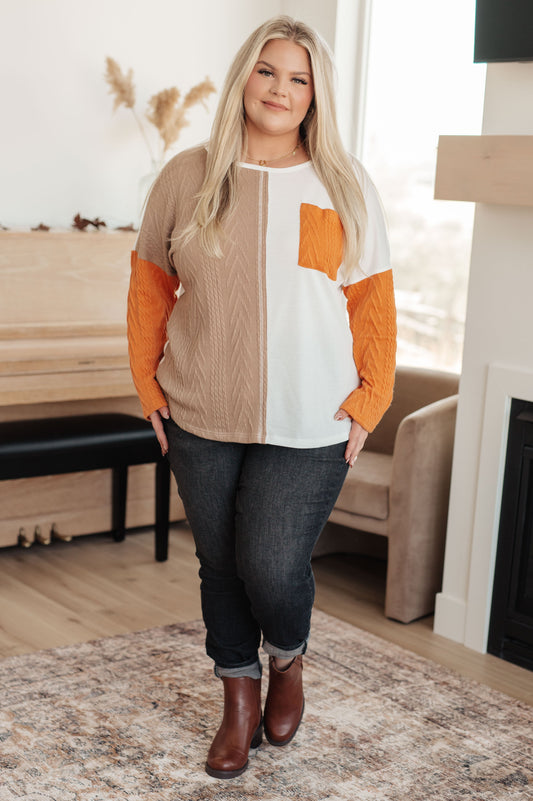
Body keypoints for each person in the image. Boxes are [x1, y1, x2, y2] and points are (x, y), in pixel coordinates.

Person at [127, 15, 396, 780]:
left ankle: (288, 658)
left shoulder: (344, 181)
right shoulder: (187, 174)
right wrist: (148, 387)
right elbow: (149, 287)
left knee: (272, 563)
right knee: (219, 563)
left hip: (311, 416)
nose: (280, 89)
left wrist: (369, 400)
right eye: (268, 71)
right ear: (245, 76)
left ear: (316, 96)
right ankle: (236, 698)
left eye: (298, 78)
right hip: (199, 409)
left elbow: (371, 305)